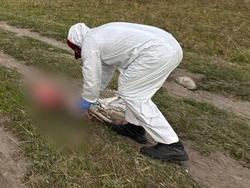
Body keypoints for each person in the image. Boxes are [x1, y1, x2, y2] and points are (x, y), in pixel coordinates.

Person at [67, 22, 189, 162]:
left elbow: (92, 76)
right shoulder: (98, 36)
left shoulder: (89, 44)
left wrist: (86, 101)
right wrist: (93, 96)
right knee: (134, 91)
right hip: (168, 47)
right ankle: (134, 128)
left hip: (157, 52)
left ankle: (171, 144)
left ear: (77, 44)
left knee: (132, 94)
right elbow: (105, 71)